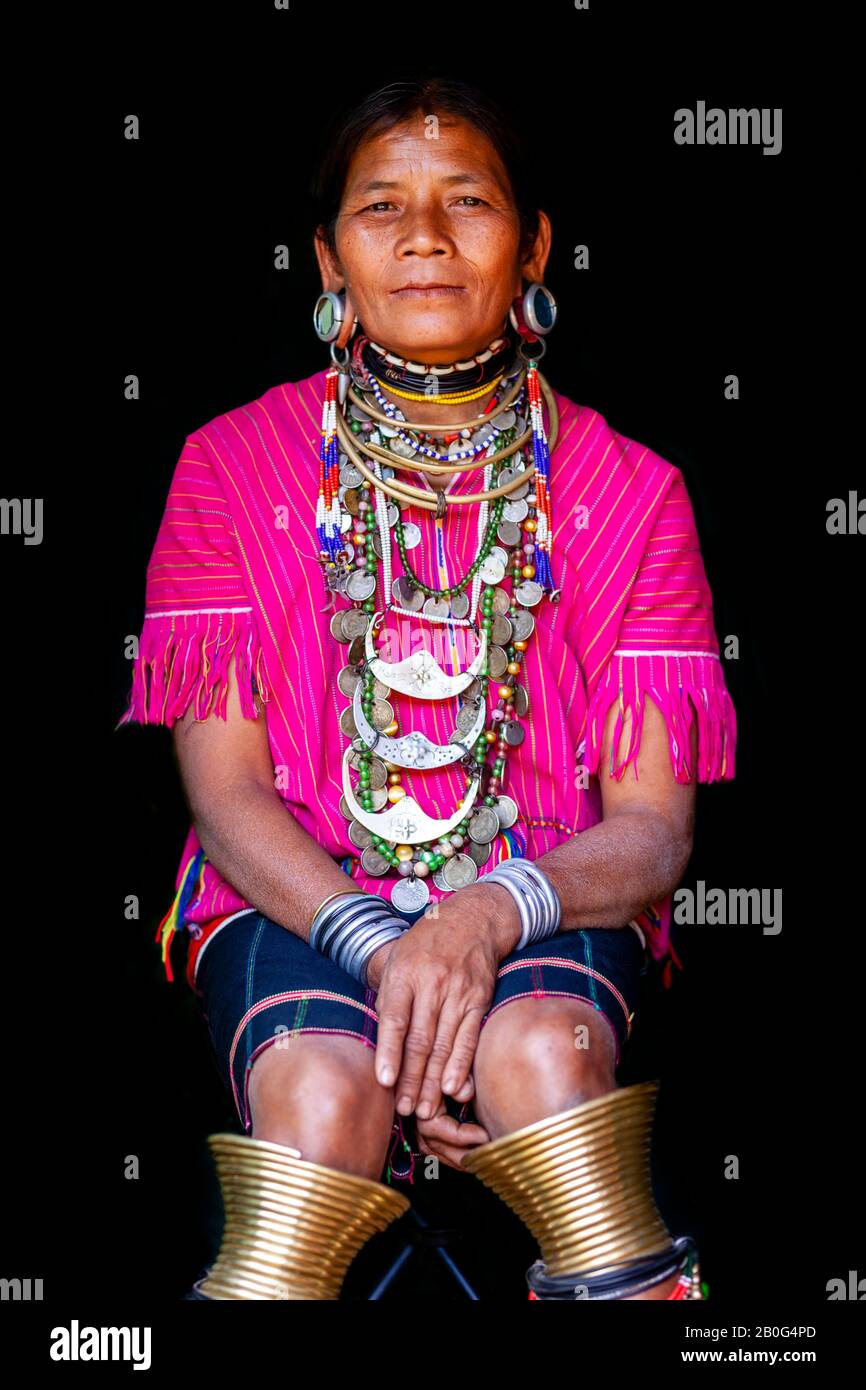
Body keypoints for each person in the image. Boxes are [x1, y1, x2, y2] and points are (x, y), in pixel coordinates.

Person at [115, 75, 737, 1302]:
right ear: (326, 257)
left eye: (468, 202)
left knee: (538, 1068)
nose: (424, 239)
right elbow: (225, 793)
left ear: (535, 245)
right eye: (380, 206)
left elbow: (653, 829)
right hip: (293, 898)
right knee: (318, 1098)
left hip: (542, 898)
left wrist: (481, 918)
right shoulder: (229, 466)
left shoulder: (632, 488)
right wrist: (375, 941)